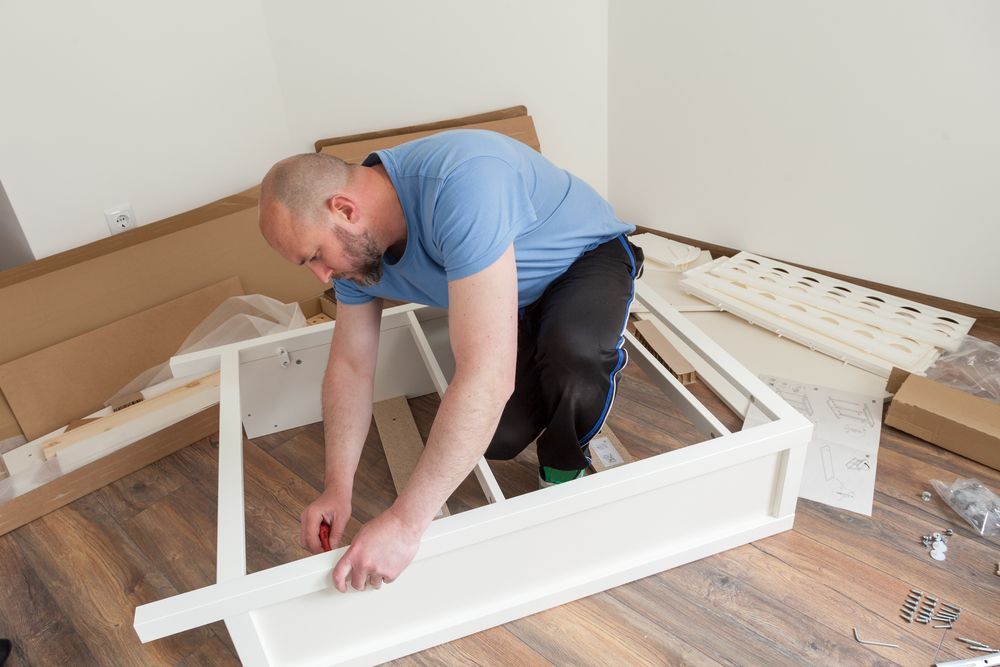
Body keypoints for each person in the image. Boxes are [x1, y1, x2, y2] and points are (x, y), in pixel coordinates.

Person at [258, 129, 642, 593]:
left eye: (316, 256)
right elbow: (350, 367)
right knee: (493, 438)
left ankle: (564, 461)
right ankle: (542, 339)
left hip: (583, 260)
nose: (321, 275)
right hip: (517, 292)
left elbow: (486, 378)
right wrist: (337, 486)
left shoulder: (465, 183)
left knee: (573, 357)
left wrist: (405, 524)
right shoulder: (355, 254)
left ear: (345, 209)